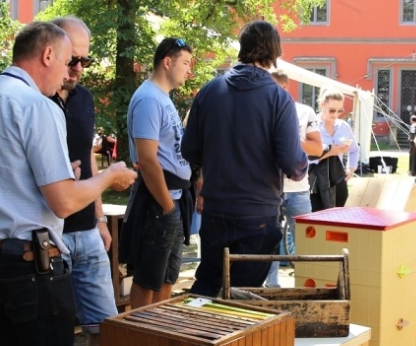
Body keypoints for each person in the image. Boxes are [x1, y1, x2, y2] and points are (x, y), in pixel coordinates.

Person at [0, 21, 136, 346]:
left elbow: (2, 180)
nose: (71, 72)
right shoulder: (37, 105)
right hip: (31, 265)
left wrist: (62, 175)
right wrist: (108, 177)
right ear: (48, 55)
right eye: (69, 61)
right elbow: (66, 202)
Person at [181, 20, 308, 298]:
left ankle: (196, 339)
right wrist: (303, 164)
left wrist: (219, 157)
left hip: (217, 209)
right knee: (242, 297)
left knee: (208, 284)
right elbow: (292, 163)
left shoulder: (210, 91)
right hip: (257, 212)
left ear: (242, 48)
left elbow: (189, 150)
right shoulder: (278, 98)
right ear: (275, 52)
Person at [48, 16, 116, 346]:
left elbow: (89, 164)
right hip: (49, 234)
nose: (77, 69)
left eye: (84, 62)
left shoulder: (85, 98)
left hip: (87, 231)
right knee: (55, 338)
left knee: (105, 328)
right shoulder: (35, 99)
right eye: (71, 59)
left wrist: (101, 217)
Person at [119, 37, 194, 309]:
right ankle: (143, 339)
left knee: (166, 276)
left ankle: (159, 333)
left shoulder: (163, 98)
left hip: (172, 197)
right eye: (185, 63)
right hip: (157, 201)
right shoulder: (149, 98)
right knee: (148, 277)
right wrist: (166, 205)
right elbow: (148, 159)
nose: (189, 70)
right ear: (167, 62)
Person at [264, 69, 323, 288]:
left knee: (305, 240)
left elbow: (317, 148)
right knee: (269, 240)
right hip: (268, 188)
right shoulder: (259, 110)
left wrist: (289, 140)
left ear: (284, 86)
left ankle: (305, 286)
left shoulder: (304, 111)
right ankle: (270, 287)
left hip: (297, 189)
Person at [316, 87, 360, 210]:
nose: (336, 114)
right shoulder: (312, 125)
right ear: (322, 105)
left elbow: (354, 150)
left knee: (341, 216)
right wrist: (330, 152)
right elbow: (305, 158)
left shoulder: (343, 126)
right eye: (332, 111)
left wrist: (350, 169)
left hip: (338, 177)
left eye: (340, 111)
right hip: (315, 179)